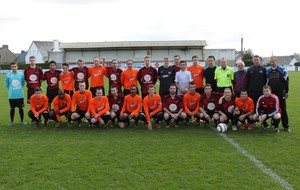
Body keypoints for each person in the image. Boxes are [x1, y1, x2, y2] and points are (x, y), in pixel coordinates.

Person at [267, 56, 290, 132]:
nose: (272, 63)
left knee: (283, 108)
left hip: (280, 92)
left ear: (277, 61)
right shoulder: (268, 70)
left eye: (273, 61)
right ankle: (274, 123)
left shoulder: (282, 70)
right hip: (272, 93)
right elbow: (266, 82)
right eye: (271, 61)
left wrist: (286, 92)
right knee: (273, 108)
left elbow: (286, 81)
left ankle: (286, 126)